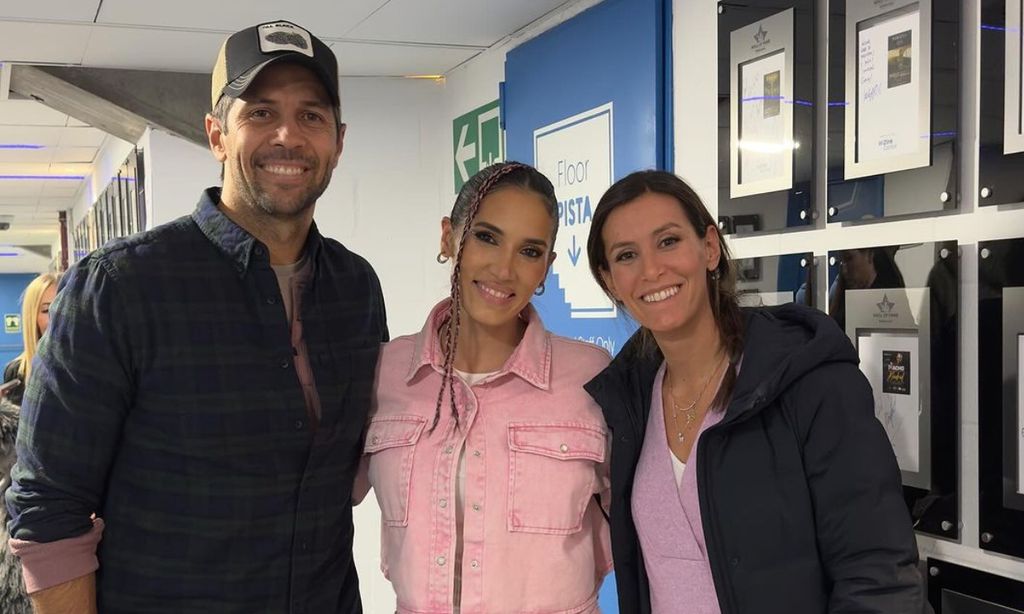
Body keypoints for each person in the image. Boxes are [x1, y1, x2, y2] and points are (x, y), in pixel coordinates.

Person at [6, 20, 387, 614]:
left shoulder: (356, 287)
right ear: (215, 135)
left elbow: (351, 464)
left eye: (311, 116)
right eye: (260, 113)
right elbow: (48, 504)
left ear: (337, 141)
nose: (288, 135)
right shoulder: (119, 287)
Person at [583, 170, 926, 614]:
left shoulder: (808, 380)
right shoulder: (626, 401)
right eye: (627, 255)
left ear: (708, 248)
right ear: (610, 280)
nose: (651, 270)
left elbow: (879, 575)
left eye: (668, 241)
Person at [355, 162, 612, 613]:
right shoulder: (384, 373)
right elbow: (318, 501)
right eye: (486, 237)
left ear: (547, 267)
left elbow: (643, 526)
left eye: (529, 252)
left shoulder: (592, 377)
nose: (504, 269)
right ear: (448, 238)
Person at [2, 272, 60, 406]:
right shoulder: (17, 372)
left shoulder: (92, 365)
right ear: (33, 317)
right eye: (46, 310)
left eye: (62, 307)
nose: (57, 316)